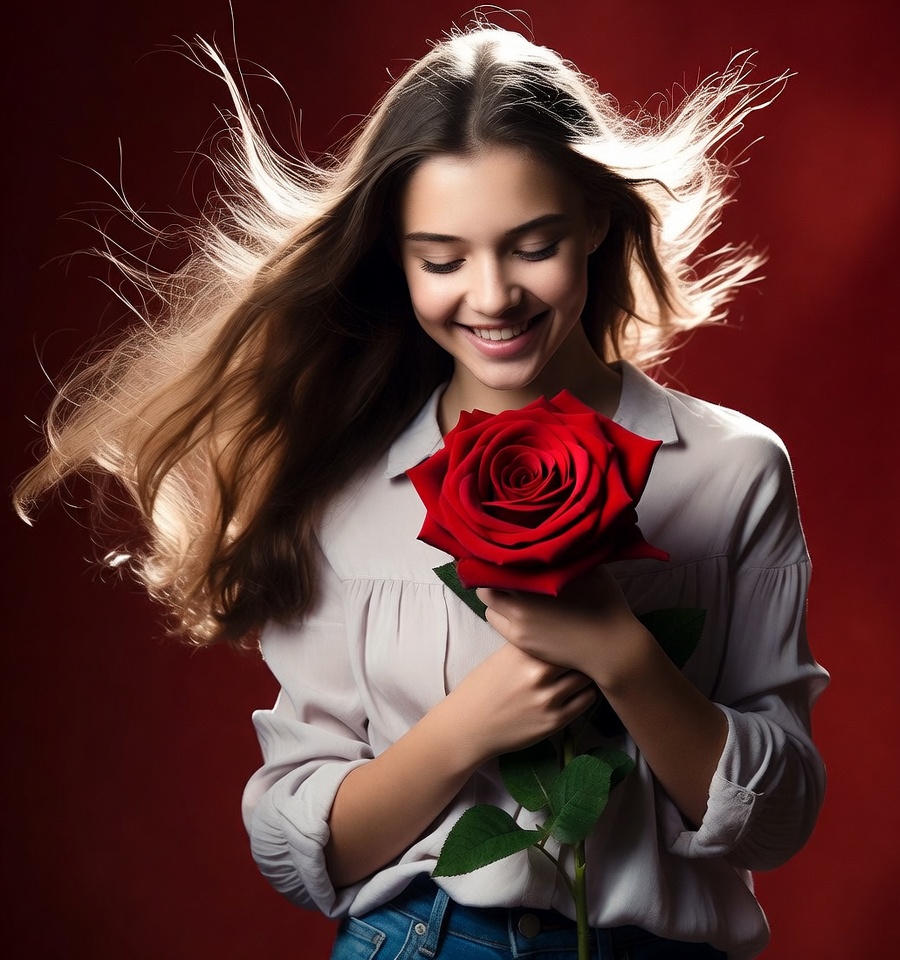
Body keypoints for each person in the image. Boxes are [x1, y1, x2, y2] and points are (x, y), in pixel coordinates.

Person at [14, 23, 828, 960]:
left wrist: (625, 658)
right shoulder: (343, 489)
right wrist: (469, 726)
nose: (491, 295)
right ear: (394, 259)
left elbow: (780, 822)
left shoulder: (732, 471)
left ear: (597, 221)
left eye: (533, 245)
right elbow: (302, 853)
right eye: (441, 259)